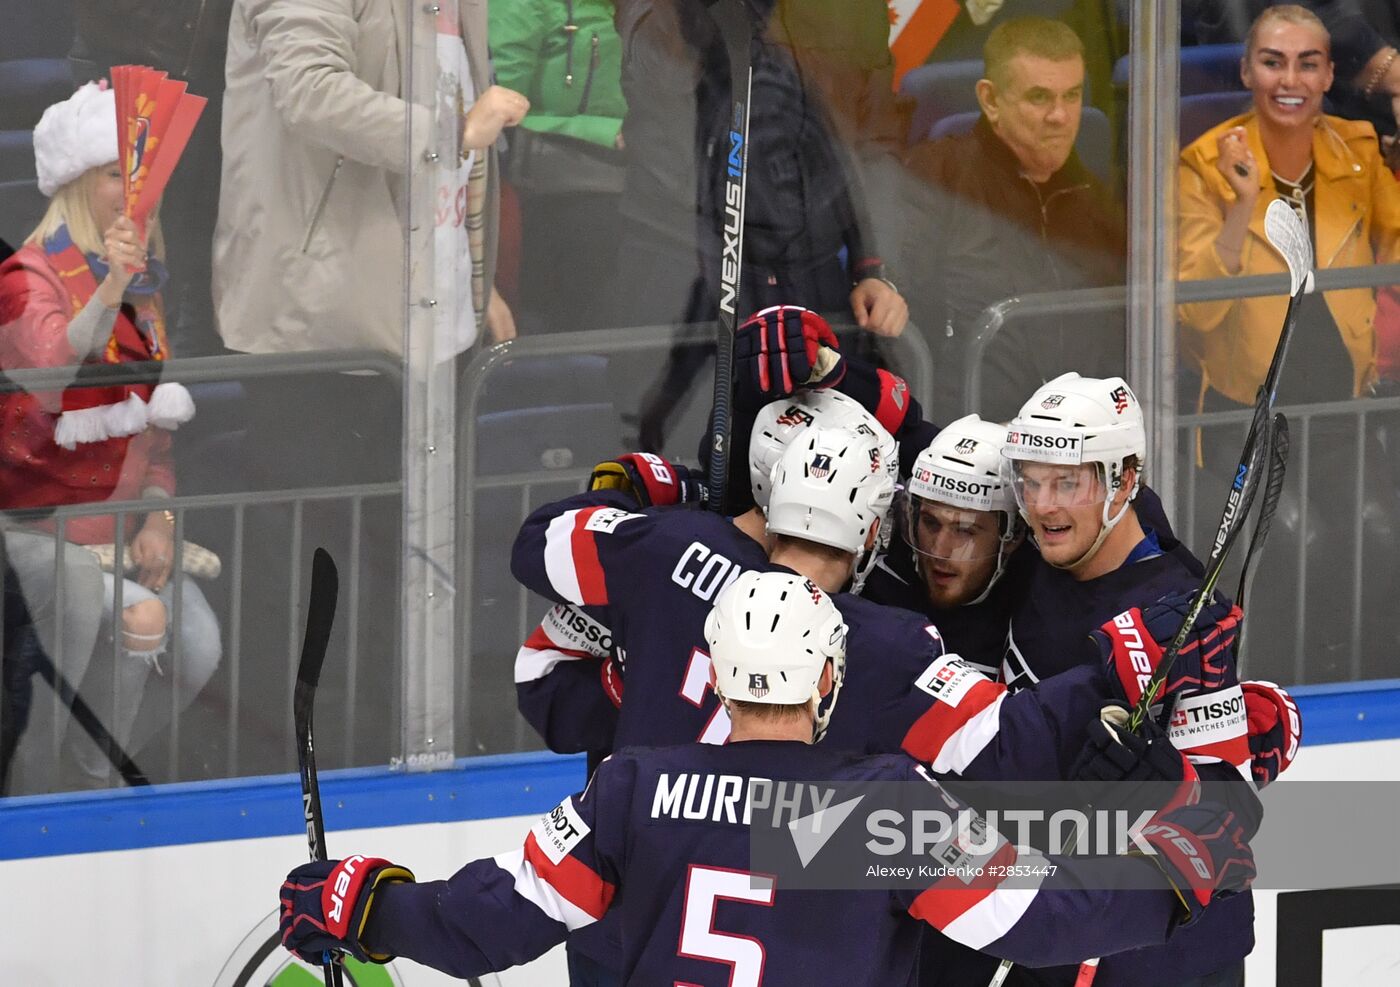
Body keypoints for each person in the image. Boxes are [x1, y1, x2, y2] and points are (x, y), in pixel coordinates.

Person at [279, 570, 1257, 984]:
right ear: (828, 678)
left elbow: (487, 923)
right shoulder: (869, 810)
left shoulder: (633, 790)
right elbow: (1047, 924)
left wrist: (362, 907)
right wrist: (1187, 854)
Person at [999, 372, 1255, 985]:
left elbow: (1236, 816)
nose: (1042, 505)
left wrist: (1164, 783)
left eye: (1067, 482)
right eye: (1031, 482)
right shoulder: (1047, 551)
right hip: (1067, 924)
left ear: (1125, 481)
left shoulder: (1183, 618)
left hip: (1173, 957)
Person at [0, 83, 222, 791]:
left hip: (119, 534)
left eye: (142, 180)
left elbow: (155, 438)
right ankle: (46, 789)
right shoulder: (25, 277)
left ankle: (90, 772)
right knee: (142, 613)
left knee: (199, 647)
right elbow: (47, 373)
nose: (134, 195)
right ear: (73, 186)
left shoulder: (144, 295)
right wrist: (106, 292)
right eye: (113, 176)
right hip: (32, 533)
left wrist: (158, 513)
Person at [1178, 4, 1400, 678]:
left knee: (1381, 535)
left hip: (1339, 416)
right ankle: (1273, 687)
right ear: (1247, 69)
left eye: (1308, 62)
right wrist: (1242, 208)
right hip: (1244, 422)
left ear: (1330, 73)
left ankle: (1363, 688)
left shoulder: (1357, 153)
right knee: (1296, 538)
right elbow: (1194, 312)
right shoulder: (1203, 166)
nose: (1289, 79)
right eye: (1273, 61)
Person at [613, 0, 908, 451]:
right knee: (671, 433)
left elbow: (848, 155)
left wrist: (870, 268)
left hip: (808, 276)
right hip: (693, 263)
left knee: (835, 439)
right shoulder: (670, 25)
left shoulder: (827, 31)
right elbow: (664, 94)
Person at [901, 16, 1126, 423]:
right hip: (969, 437)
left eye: (1072, 95)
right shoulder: (937, 178)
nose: (1060, 116)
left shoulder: (1095, 199)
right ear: (990, 100)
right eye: (1039, 97)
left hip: (1082, 439)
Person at [68, 0, 237, 357]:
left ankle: (182, 364)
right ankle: (132, 369)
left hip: (220, 59)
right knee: (138, 228)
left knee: (203, 222)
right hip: (136, 54)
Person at [490, 0, 628, 334]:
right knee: (560, 317)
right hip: (553, 185)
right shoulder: (525, 6)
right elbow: (500, 100)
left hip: (610, 178)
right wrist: (604, 132)